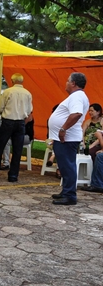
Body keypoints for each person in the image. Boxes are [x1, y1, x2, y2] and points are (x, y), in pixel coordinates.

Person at [49, 72, 89, 205]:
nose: (65, 83)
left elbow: (76, 113)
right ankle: (66, 191)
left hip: (67, 137)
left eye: (67, 80)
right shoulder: (76, 96)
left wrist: (63, 129)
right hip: (66, 137)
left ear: (73, 83)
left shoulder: (77, 96)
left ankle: (70, 195)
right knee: (64, 165)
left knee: (67, 165)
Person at [0, 73, 33, 182]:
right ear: (22, 81)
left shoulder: (7, 92)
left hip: (8, 121)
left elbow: (0, 107)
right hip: (20, 122)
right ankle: (13, 175)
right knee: (17, 150)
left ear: (12, 81)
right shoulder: (28, 93)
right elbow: (29, 109)